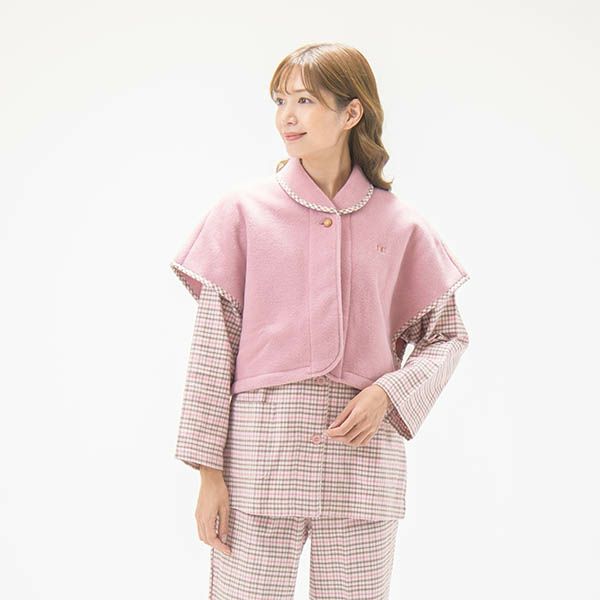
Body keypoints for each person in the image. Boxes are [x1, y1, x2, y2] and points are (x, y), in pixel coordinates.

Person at [170, 42, 470, 600]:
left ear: (352, 112)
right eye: (280, 100)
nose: (287, 116)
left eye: (305, 100)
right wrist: (209, 474)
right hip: (261, 460)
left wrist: (387, 394)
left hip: (363, 463)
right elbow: (213, 347)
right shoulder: (242, 212)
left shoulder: (402, 225)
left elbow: (447, 336)